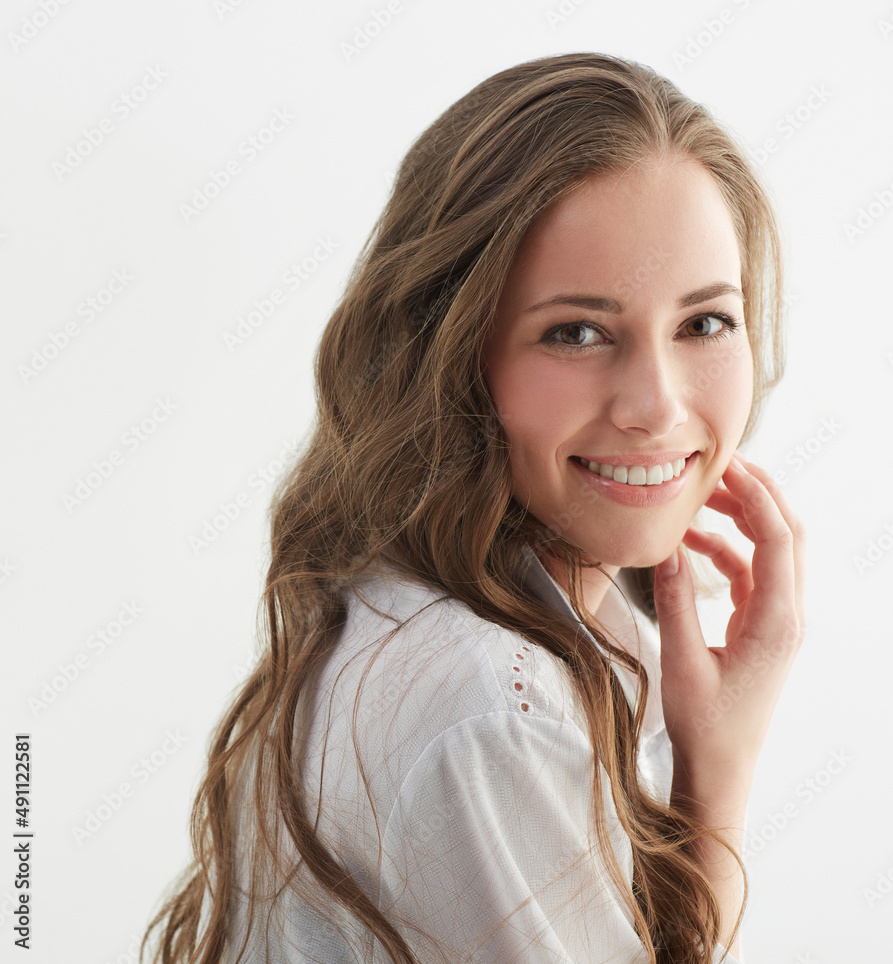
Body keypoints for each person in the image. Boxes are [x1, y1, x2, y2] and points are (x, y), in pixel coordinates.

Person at [143, 51, 805, 964]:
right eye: (576, 332)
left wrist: (710, 760)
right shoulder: (495, 707)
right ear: (452, 355)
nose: (657, 405)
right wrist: (718, 790)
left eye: (705, 323)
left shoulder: (473, 614)